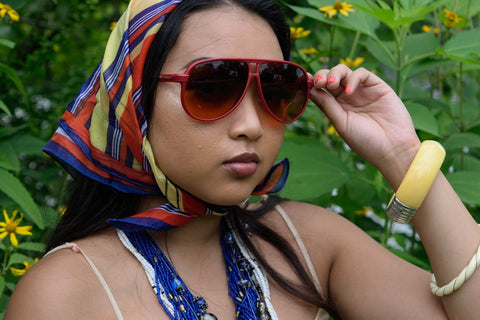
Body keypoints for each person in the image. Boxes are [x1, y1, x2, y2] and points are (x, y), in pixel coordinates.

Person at [5, 0, 480, 319]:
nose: (251, 124)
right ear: (134, 100)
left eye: (277, 89)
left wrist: (403, 157)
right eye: (212, 86)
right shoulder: (66, 293)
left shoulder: (308, 243)